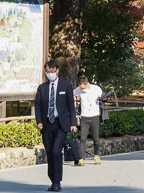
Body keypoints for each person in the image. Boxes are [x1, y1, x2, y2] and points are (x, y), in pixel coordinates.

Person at [34, 60, 77, 192]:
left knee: (56, 152)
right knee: (50, 153)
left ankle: (57, 182)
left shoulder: (66, 85)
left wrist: (73, 123)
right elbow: (38, 105)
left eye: (52, 71)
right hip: (47, 125)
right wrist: (39, 121)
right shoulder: (42, 88)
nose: (50, 73)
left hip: (61, 124)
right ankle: (53, 181)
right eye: (48, 71)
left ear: (57, 71)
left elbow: (71, 105)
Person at [74, 76, 103, 165]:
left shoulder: (96, 89)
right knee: (82, 138)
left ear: (88, 83)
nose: (83, 89)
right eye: (81, 88)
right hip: (84, 117)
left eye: (84, 87)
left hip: (94, 116)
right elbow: (72, 93)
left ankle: (96, 156)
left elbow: (102, 97)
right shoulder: (78, 89)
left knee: (96, 138)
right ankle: (81, 158)